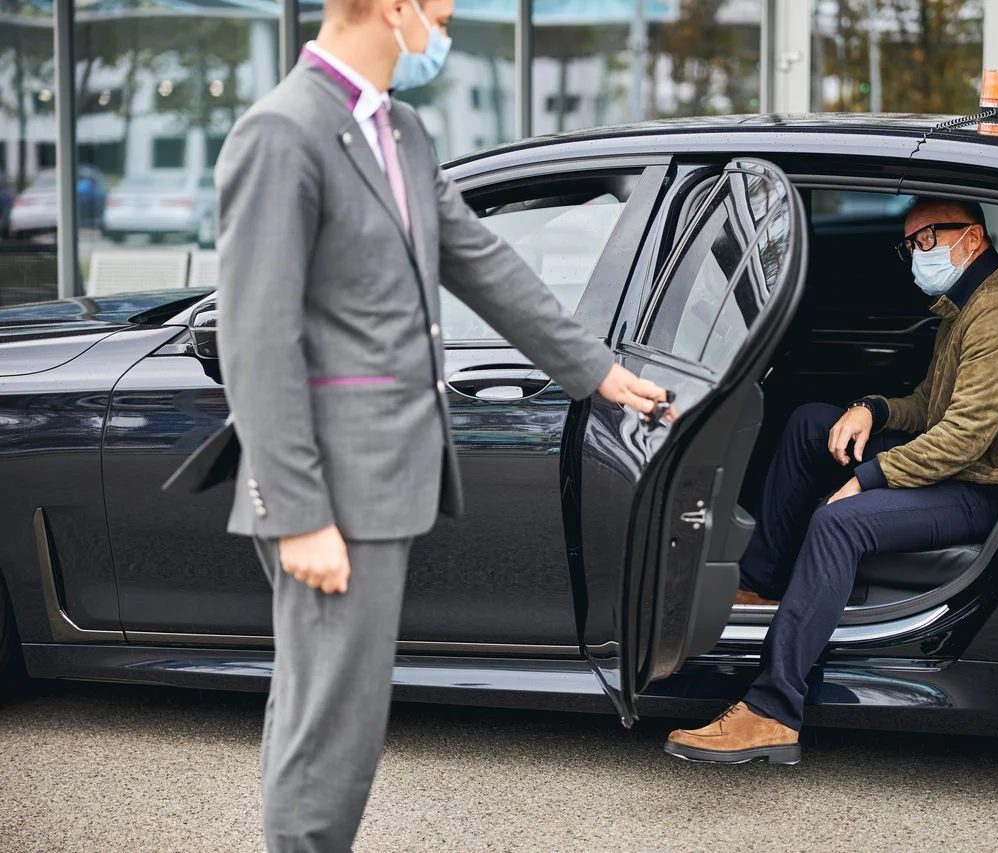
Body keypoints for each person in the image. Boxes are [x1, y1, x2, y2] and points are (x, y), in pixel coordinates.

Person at [214, 0, 669, 848]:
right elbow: (255, 335)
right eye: (443, 13)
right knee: (332, 728)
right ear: (394, 9)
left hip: (381, 478)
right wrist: (300, 509)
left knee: (324, 712)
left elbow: (483, 262)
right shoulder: (281, 132)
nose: (445, 33)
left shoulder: (402, 130)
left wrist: (598, 370)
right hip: (329, 490)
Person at [664, 197, 998, 765]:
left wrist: (870, 477)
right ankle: (760, 583)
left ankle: (772, 710)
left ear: (972, 238)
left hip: (987, 487)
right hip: (963, 463)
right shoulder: (968, 303)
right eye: (909, 245)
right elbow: (932, 405)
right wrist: (872, 410)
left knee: (838, 523)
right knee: (813, 423)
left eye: (925, 239)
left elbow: (965, 437)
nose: (915, 255)